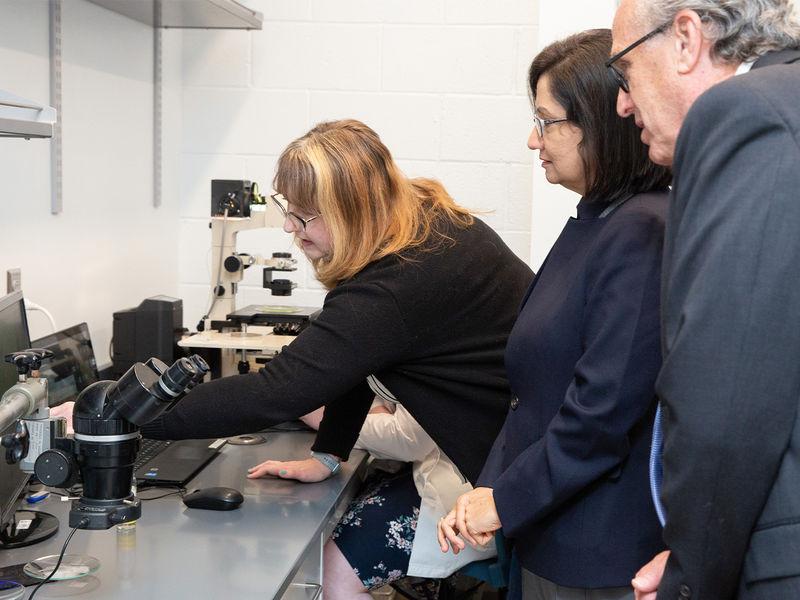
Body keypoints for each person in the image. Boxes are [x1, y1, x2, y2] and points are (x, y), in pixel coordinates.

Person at [139, 119, 533, 598]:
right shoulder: (423, 218)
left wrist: (134, 418)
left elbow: (274, 392)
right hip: (503, 450)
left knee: (332, 574)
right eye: (289, 208)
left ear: (352, 211)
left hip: (491, 477)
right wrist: (329, 453)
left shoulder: (395, 285)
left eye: (305, 216)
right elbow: (360, 360)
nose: (289, 227)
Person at [437, 29, 672, 599]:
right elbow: (533, 394)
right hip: (550, 526)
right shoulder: (597, 220)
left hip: (597, 549)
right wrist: (490, 490)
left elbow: (602, 411)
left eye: (546, 121)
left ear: (599, 123)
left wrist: (505, 497)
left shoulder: (640, 230)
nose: (532, 139)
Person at [608, 1, 800, 599]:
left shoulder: (745, 112)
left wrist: (691, 575)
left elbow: (729, 387)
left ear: (686, 38)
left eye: (625, 72)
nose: (622, 102)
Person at [278, 400, 496, 599]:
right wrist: (372, 411)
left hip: (467, 497)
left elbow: (410, 439)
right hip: (439, 471)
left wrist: (332, 424)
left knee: (331, 574)